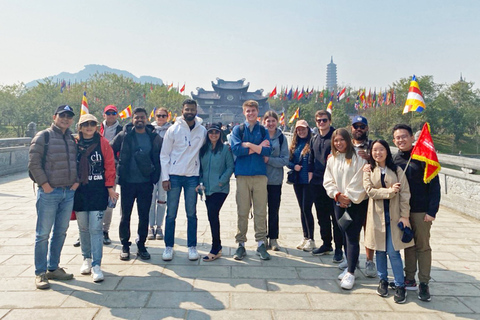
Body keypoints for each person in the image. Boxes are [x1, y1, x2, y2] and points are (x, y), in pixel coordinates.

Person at [29, 105, 79, 289]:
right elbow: (33, 163)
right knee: (42, 234)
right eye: (62, 115)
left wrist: (76, 182)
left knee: (61, 232)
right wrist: (45, 185)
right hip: (50, 192)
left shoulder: (71, 139)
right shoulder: (44, 136)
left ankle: (53, 267)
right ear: (55, 116)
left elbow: (78, 162)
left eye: (69, 116)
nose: (65, 119)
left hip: (68, 192)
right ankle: (40, 273)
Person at [392, 124, 440, 302]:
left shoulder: (423, 158)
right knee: (408, 245)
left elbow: (435, 187)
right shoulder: (395, 160)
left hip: (421, 211)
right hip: (402, 212)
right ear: (394, 140)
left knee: (422, 247)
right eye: (397, 137)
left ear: (413, 138)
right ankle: (409, 278)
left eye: (404, 136)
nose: (401, 140)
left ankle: (424, 283)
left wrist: (431, 211)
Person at [363, 139, 413, 303]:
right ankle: (383, 280)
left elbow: (405, 193)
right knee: (380, 250)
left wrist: (405, 215)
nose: (377, 153)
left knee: (393, 251)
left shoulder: (397, 169)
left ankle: (400, 285)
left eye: (381, 149)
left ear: (387, 151)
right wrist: (390, 192)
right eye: (374, 150)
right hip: (376, 216)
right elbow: (370, 191)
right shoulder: (369, 169)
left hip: (394, 216)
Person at [110, 107, 162, 261]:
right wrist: (117, 165)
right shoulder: (125, 134)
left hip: (146, 182)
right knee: (125, 215)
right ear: (132, 119)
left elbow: (161, 155)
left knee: (144, 215)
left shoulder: (153, 136)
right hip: (127, 182)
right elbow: (110, 149)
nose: (139, 120)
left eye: (142, 117)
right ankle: (125, 245)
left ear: (146, 119)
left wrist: (155, 174)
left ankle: (141, 245)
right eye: (136, 117)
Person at [73, 114, 118, 282]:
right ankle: (87, 258)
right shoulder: (74, 144)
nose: (89, 127)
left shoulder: (103, 144)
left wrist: (110, 188)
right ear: (80, 127)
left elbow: (109, 166)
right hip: (80, 192)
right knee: (83, 228)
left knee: (96, 229)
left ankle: (97, 264)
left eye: (92, 124)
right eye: (85, 124)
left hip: (98, 192)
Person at [160, 99, 206, 261]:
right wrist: (165, 177)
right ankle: (168, 246)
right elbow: (164, 155)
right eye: (187, 109)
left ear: (196, 111)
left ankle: (192, 246)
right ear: (182, 111)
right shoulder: (173, 130)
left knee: (191, 213)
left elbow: (204, 153)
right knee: (171, 213)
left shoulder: (202, 131)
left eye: (193, 109)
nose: (190, 112)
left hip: (192, 177)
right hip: (174, 176)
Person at [323, 128, 367, 290]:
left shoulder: (358, 157)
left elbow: (360, 179)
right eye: (335, 141)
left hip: (355, 203)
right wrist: (337, 195)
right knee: (343, 231)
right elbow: (328, 180)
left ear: (348, 140)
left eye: (341, 140)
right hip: (338, 202)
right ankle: (351, 262)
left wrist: (347, 197)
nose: (338, 143)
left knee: (352, 236)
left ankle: (351, 272)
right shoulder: (332, 159)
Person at [230, 100, 272, 260]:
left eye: (253, 111)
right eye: (248, 111)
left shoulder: (263, 130)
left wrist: (248, 145)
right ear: (244, 113)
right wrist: (257, 148)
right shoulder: (238, 129)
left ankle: (261, 243)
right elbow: (236, 149)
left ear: (257, 112)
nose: (251, 113)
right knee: (242, 211)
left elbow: (268, 150)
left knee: (261, 211)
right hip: (242, 176)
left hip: (260, 175)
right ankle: (241, 244)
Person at [308, 110, 343, 262]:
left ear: (329, 121)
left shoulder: (336, 137)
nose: (321, 123)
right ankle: (326, 243)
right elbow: (311, 158)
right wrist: (310, 176)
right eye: (319, 121)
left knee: (336, 218)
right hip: (317, 182)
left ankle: (339, 249)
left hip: (334, 183)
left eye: (324, 120)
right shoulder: (314, 138)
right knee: (322, 216)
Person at [198, 123, 234, 261]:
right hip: (206, 188)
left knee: (213, 214)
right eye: (211, 132)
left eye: (216, 132)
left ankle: (215, 247)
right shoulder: (203, 149)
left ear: (220, 134)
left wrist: (221, 181)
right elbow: (200, 167)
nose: (213, 134)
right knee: (212, 216)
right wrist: (200, 182)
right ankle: (217, 246)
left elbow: (230, 167)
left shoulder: (225, 149)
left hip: (220, 189)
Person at [351, 115, 376, 278]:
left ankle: (369, 260)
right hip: (351, 194)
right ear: (351, 128)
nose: (359, 129)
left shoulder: (373, 146)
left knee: (369, 229)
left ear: (366, 128)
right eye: (356, 126)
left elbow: (385, 163)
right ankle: (352, 259)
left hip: (368, 196)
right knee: (351, 229)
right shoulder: (345, 144)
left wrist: (371, 159)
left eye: (362, 126)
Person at [263, 111, 289, 251]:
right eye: (268, 121)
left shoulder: (281, 138)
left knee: (273, 210)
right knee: (260, 211)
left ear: (277, 122)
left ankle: (273, 238)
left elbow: (285, 159)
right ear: (264, 122)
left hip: (275, 180)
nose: (271, 123)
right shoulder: (260, 135)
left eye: (273, 121)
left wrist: (269, 160)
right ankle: (262, 238)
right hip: (260, 179)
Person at [288, 120, 316, 252]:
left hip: (309, 181)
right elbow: (288, 161)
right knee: (302, 209)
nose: (301, 131)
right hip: (298, 181)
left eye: (303, 129)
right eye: (298, 129)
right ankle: (305, 237)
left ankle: (311, 239)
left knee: (307, 208)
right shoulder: (294, 145)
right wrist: (294, 166)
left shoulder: (313, 143)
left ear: (308, 129)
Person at [99, 104, 123, 245]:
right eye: (108, 113)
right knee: (93, 199)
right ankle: (87, 231)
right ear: (104, 114)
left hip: (112, 168)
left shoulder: (122, 130)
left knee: (110, 198)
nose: (111, 115)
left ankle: (105, 230)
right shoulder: (96, 128)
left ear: (117, 115)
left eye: (114, 113)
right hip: (95, 168)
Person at [148, 107, 172, 241]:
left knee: (162, 198)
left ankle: (159, 226)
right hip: (152, 167)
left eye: (163, 116)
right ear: (155, 116)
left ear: (167, 117)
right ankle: (150, 226)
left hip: (166, 168)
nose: (161, 118)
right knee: (151, 199)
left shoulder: (172, 130)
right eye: (159, 116)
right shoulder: (149, 129)